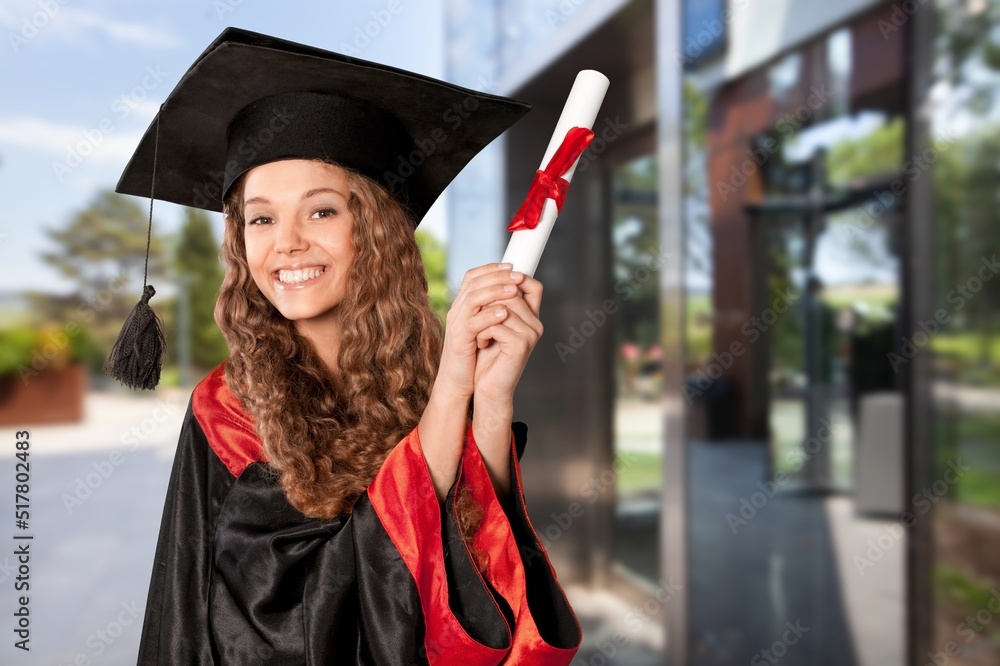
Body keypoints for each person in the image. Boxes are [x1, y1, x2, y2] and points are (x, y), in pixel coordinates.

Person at [111, 28, 582, 664]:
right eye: (261, 218)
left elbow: (481, 573)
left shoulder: (424, 377)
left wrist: (489, 401)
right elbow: (290, 617)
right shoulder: (227, 409)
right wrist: (453, 393)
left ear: (378, 229)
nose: (288, 242)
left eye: (323, 211)